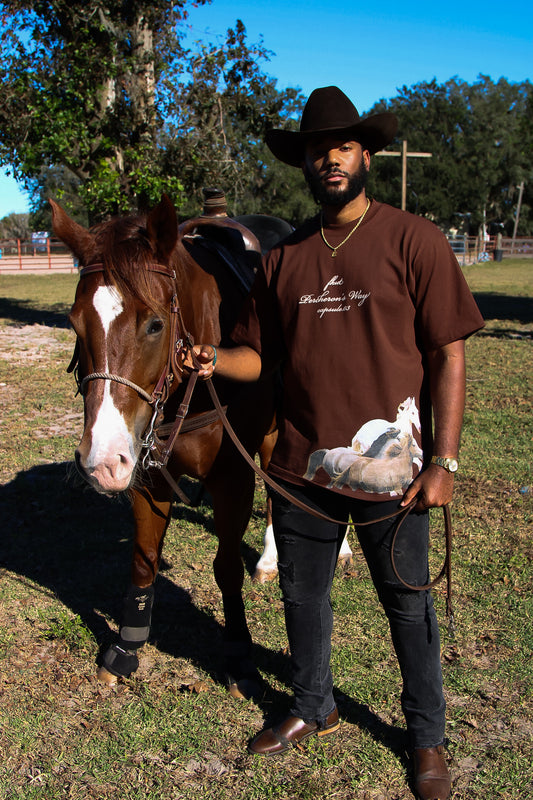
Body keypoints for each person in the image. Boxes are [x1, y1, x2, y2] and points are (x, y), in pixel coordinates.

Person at [189, 86, 484, 800]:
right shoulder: (283, 259)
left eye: (343, 146)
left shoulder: (412, 239)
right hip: (300, 465)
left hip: (394, 473)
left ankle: (425, 737)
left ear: (365, 155)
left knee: (406, 604)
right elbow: (258, 358)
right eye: (318, 149)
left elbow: (447, 353)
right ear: (305, 163)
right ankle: (311, 707)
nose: (330, 159)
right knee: (300, 596)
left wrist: (442, 459)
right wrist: (210, 359)